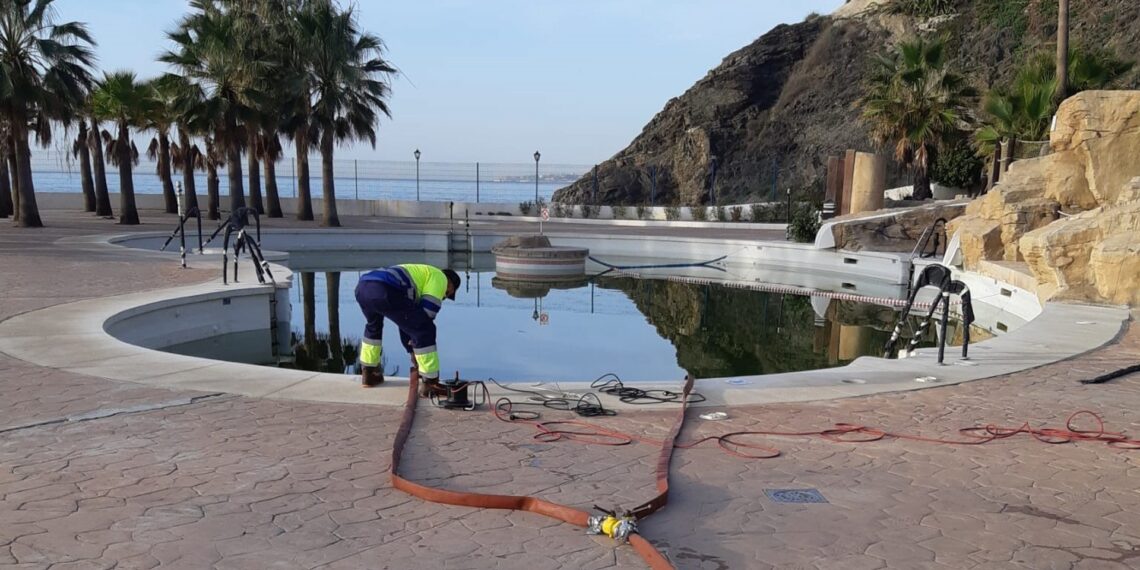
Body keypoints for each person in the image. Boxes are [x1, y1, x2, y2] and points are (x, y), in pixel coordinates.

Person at [354, 263, 461, 392]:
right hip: (385, 288)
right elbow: (427, 314)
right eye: (448, 293)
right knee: (425, 328)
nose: (444, 297)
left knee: (373, 327)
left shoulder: (421, 274)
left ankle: (369, 374)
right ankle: (430, 383)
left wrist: (411, 349)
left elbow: (406, 323)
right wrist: (416, 349)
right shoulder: (440, 277)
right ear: (450, 283)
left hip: (363, 286)